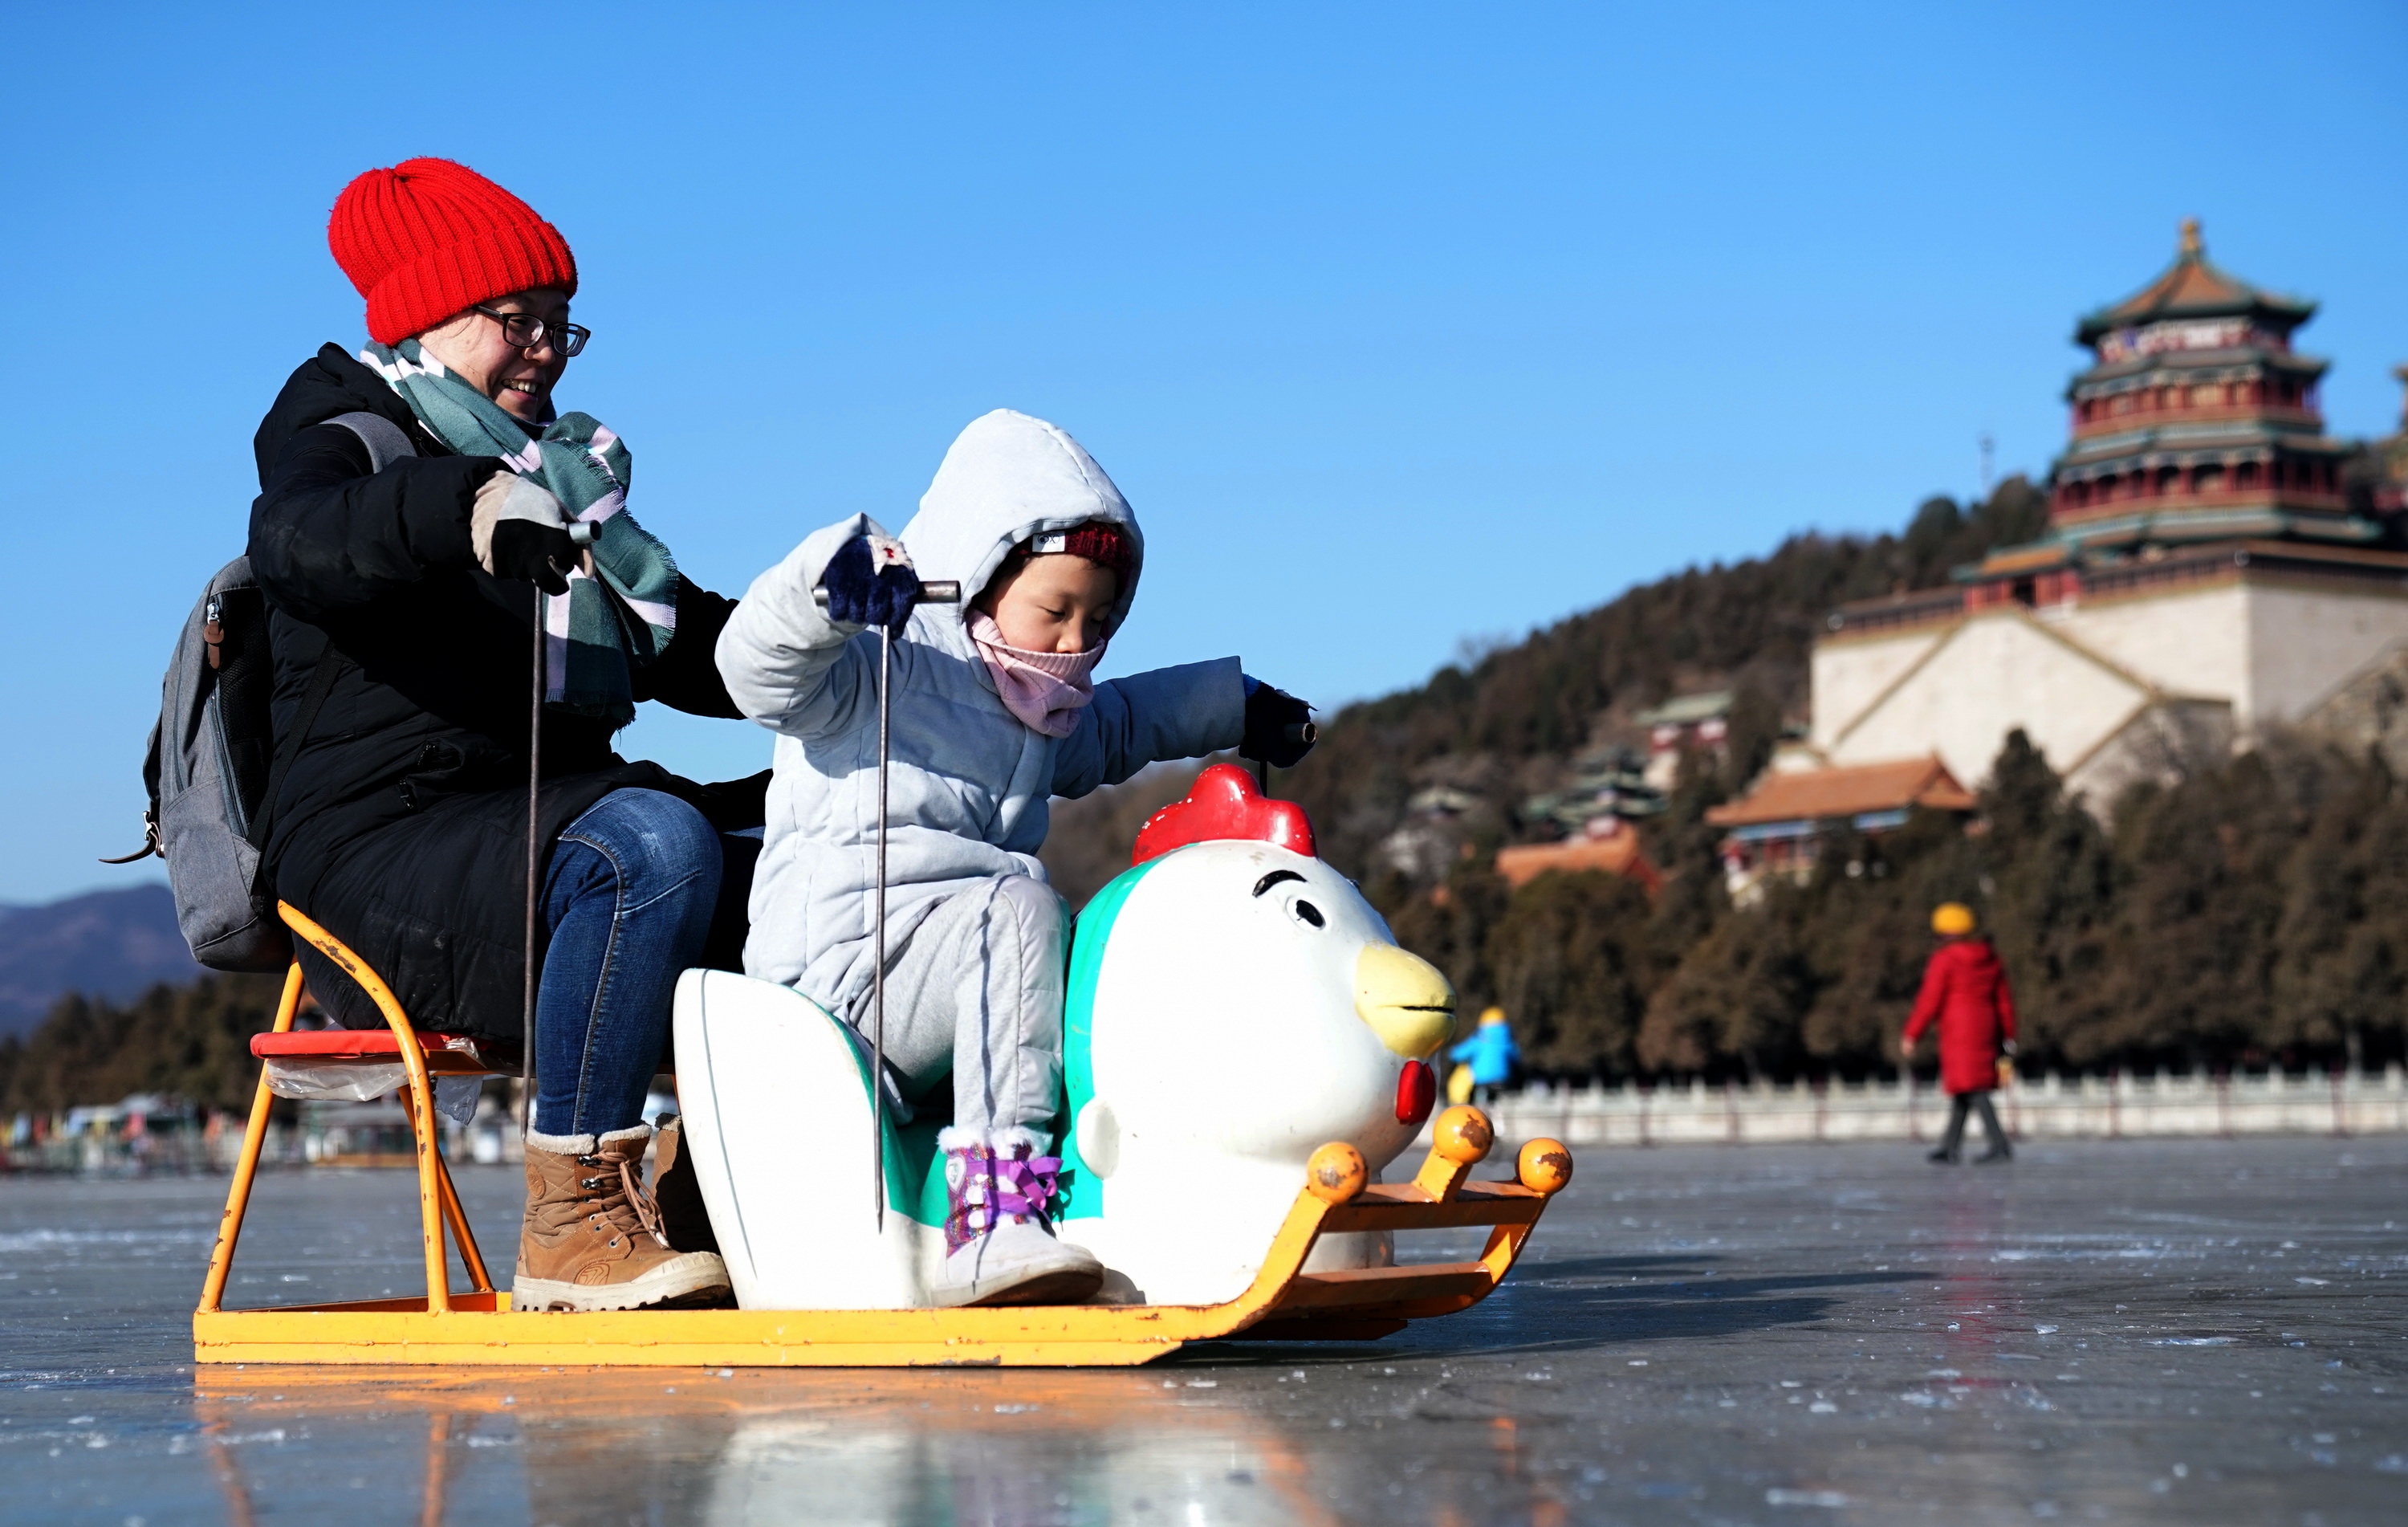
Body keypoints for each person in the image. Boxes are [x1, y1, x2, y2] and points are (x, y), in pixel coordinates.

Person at [249, 157, 756, 1312]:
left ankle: (710, 1186)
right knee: (651, 845)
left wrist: (837, 636)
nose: (542, 347)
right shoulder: (348, 433)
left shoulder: (561, 483)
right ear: (427, 320)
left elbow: (685, 652)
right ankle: (575, 1214)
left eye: (560, 326)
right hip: (379, 858)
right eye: (513, 320)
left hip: (532, 832)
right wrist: (466, 505)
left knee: (794, 854)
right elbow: (299, 539)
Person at [718, 409, 1316, 1307]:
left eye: (1100, 619)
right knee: (1021, 904)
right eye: (1056, 611)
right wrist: (827, 587)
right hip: (837, 987)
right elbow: (755, 669)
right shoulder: (874, 667)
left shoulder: (1032, 707)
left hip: (948, 973)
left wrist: (1236, 705)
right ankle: (995, 1213)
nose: (1077, 643)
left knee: (1075, 952)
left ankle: (1156, 1198)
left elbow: (1121, 724)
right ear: (981, 578)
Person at [1901, 902, 2018, 1165]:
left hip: (1958, 1030)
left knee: (1974, 1088)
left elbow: (1929, 1000)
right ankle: (1949, 1146)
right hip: (1986, 1027)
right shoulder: (1990, 957)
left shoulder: (1945, 960)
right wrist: (2008, 1034)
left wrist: (1912, 1034)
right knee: (1964, 1089)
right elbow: (2004, 1001)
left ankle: (1999, 1145)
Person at [1448, 1007, 1520, 1107]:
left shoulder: (1480, 1039)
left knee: (1462, 1073)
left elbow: (1459, 1054)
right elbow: (1517, 1057)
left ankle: (1460, 1104)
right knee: (1493, 1101)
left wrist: (1451, 1052)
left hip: (1480, 1079)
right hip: (1503, 1078)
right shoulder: (1508, 1041)